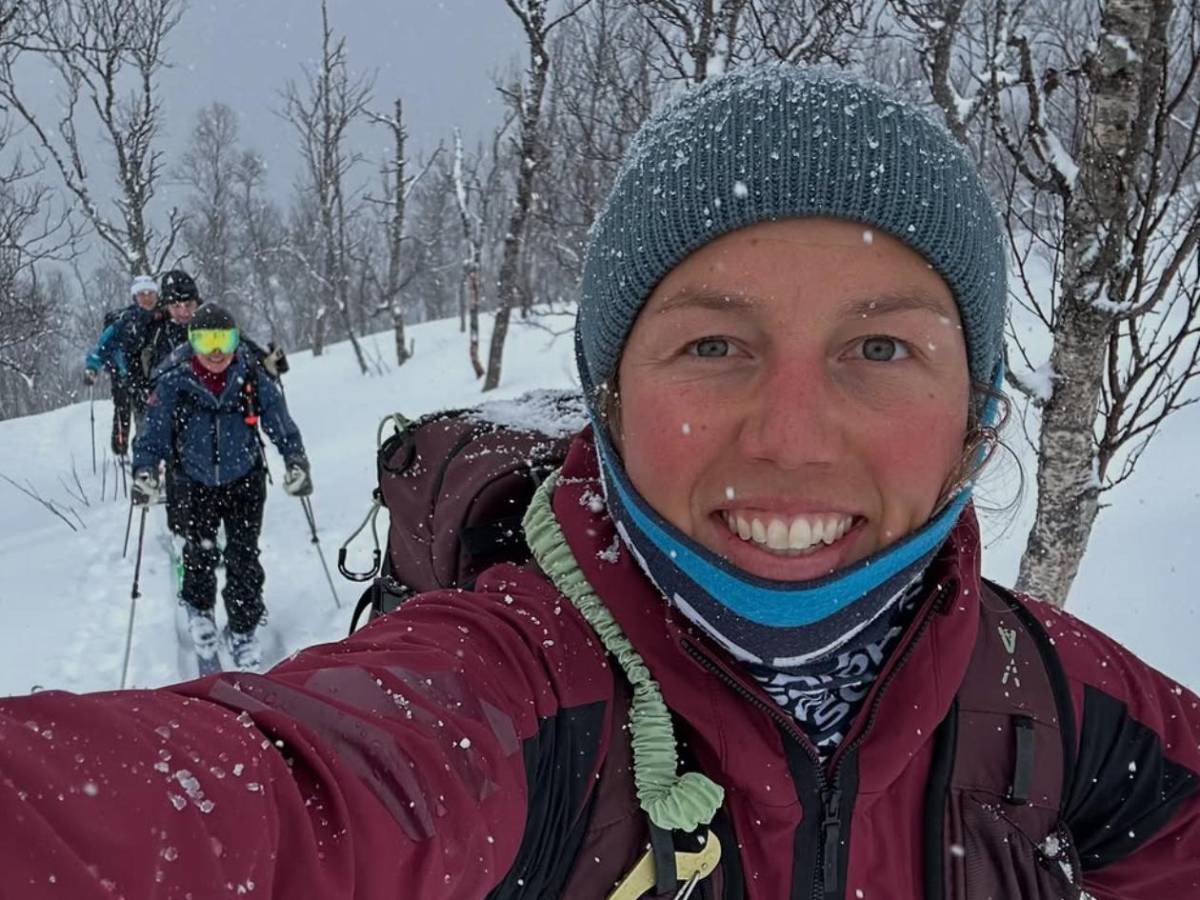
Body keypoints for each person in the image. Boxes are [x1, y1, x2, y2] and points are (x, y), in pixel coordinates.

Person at [1, 67, 1197, 899]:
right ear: (609, 396)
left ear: (980, 417)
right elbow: (280, 811)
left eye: (881, 348)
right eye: (712, 346)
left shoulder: (1047, 701)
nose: (790, 439)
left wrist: (293, 456)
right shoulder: (516, 695)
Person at [131, 303, 311, 672]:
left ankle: (243, 629)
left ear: (234, 340)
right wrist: (146, 471)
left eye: (224, 340)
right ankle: (200, 613)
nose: (216, 352)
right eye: (206, 340)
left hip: (244, 480)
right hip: (192, 483)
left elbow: (279, 421)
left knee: (244, 558)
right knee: (198, 554)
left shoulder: (249, 374)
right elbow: (152, 434)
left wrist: (295, 460)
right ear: (193, 342)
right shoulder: (173, 381)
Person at [82, 274, 159, 455]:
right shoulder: (123, 322)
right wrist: (92, 367)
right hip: (123, 375)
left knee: (146, 416)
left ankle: (146, 454)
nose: (147, 298)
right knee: (122, 411)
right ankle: (120, 450)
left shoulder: (162, 318)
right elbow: (102, 346)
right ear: (135, 297)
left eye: (150, 293)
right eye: (142, 294)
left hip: (149, 378)